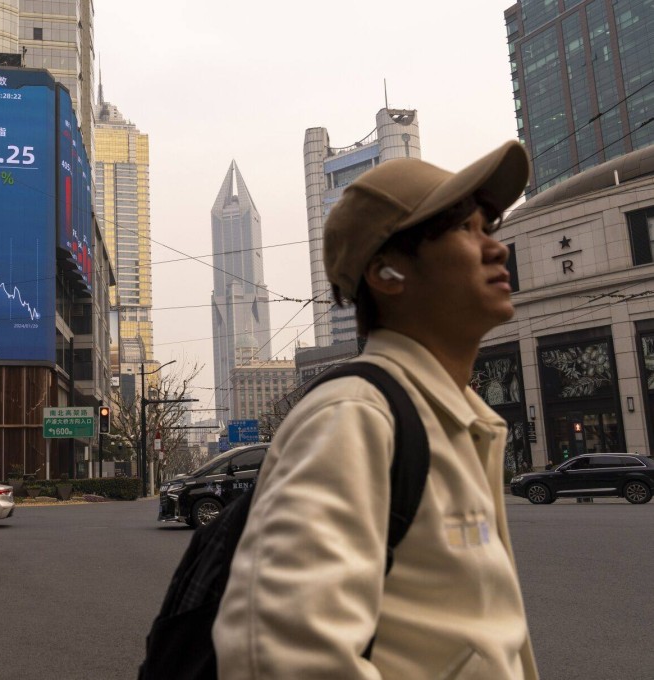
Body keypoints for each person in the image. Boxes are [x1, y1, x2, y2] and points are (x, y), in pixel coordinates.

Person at [212, 141, 539, 679]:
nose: (496, 248)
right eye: (466, 229)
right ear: (387, 274)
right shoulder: (357, 416)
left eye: (491, 227)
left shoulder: (458, 417)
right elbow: (277, 658)